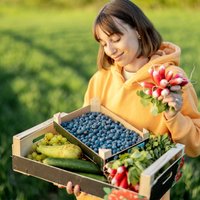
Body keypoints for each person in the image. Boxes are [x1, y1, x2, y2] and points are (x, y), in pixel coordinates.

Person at [62, 0, 200, 199]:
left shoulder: (170, 81)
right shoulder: (100, 80)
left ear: (138, 31)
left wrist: (174, 117)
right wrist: (77, 178)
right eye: (103, 43)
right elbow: (85, 141)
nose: (110, 50)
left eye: (116, 39)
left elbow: (195, 144)